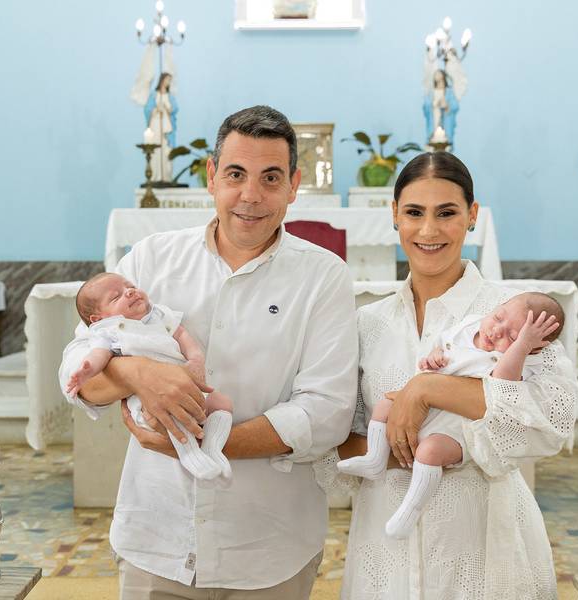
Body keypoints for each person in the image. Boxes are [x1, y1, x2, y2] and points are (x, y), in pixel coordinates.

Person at [58, 105, 358, 599]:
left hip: (268, 545)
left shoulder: (324, 277)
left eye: (270, 177)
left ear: (294, 184)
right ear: (211, 176)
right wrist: (137, 374)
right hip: (156, 539)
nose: (251, 195)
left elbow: (326, 414)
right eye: (236, 174)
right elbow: (78, 378)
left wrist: (206, 445)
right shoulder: (151, 259)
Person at [315, 151, 578, 599]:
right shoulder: (367, 323)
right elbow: (333, 436)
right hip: (385, 550)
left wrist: (428, 387)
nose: (429, 230)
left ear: (472, 216)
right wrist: (401, 452)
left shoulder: (516, 317)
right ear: (394, 215)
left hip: (482, 547)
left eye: (447, 213)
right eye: (414, 212)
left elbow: (548, 421)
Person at [337, 292, 564, 539]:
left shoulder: (520, 360)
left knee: (430, 451)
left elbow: (502, 389)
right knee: (384, 405)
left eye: (512, 336)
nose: (498, 331)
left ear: (534, 347)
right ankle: (374, 459)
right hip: (425, 413)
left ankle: (410, 510)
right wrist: (433, 360)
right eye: (498, 317)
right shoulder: (469, 326)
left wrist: (520, 347)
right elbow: (445, 348)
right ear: (498, 306)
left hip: (456, 425)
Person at [65, 272, 232, 482]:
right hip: (149, 401)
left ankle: (213, 448)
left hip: (187, 385)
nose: (130, 292)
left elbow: (180, 334)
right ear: (98, 319)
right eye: (116, 297)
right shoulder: (109, 332)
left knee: (221, 403)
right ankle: (190, 454)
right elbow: (99, 355)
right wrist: (86, 370)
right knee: (170, 418)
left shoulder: (158, 316)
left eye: (130, 286)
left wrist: (196, 358)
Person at [144, 72, 178, 182]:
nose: (168, 82)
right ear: (162, 80)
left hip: (166, 126)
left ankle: (166, 177)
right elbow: (147, 109)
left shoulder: (170, 97)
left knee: (166, 150)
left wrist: (168, 108)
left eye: (170, 81)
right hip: (156, 125)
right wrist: (156, 109)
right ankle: (155, 176)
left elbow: (175, 108)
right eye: (167, 80)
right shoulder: (154, 95)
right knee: (155, 150)